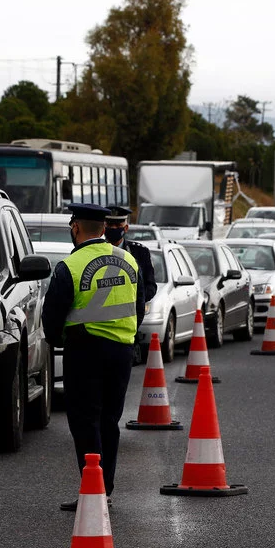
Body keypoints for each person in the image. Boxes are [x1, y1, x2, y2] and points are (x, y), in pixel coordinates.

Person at [42, 203, 145, 512]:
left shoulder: (70, 266)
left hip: (84, 352)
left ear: (75, 228)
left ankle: (93, 489)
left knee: (85, 421)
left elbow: (52, 319)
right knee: (109, 421)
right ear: (103, 228)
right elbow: (139, 307)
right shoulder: (129, 260)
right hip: (121, 352)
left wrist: (60, 341)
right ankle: (105, 489)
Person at [104, 205, 157, 302]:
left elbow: (150, 286)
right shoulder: (95, 251)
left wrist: (133, 300)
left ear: (126, 228)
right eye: (110, 225)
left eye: (118, 225)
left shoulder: (140, 252)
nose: (113, 228)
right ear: (104, 227)